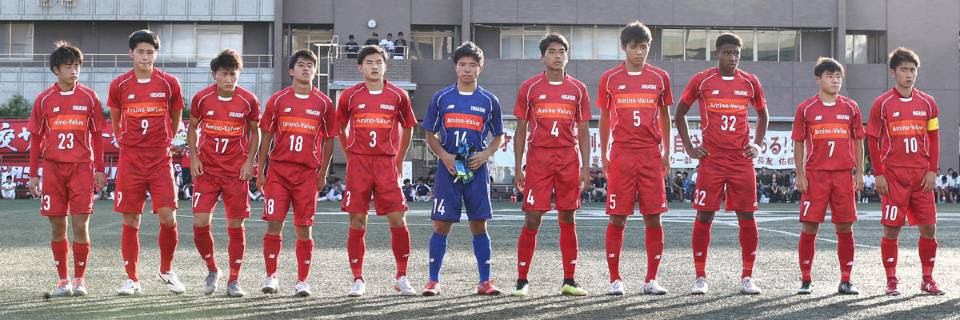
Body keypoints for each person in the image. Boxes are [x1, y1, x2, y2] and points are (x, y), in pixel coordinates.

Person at [675, 32, 768, 295]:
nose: (732, 57)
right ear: (717, 53)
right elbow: (679, 114)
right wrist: (690, 147)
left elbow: (763, 114)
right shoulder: (702, 80)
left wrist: (757, 144)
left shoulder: (750, 81)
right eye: (727, 52)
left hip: (740, 160)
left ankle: (747, 277)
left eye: (736, 53)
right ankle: (700, 277)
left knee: (747, 215)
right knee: (705, 214)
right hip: (712, 159)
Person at [420, 41, 505, 296]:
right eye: (462, 64)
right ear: (455, 67)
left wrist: (485, 154)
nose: (467, 69)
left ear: (480, 67)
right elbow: (429, 134)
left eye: (472, 65)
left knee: (479, 224)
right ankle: (433, 281)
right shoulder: (441, 98)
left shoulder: (489, 100)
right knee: (441, 225)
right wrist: (444, 156)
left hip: (476, 169)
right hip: (449, 169)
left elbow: (499, 136)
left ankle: (485, 282)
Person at [511, 33, 591, 297]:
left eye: (562, 51)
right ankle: (522, 281)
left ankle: (569, 280)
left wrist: (585, 167)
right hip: (539, 159)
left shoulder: (578, 89)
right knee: (532, 217)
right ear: (542, 57)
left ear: (567, 56)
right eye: (552, 51)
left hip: (568, 159)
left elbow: (583, 132)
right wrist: (518, 167)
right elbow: (520, 131)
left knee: (568, 217)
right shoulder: (530, 87)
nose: (558, 56)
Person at [596, 21, 673, 296]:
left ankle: (651, 279)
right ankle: (614, 279)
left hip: (650, 154)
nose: (639, 52)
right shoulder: (610, 78)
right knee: (617, 217)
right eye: (633, 47)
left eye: (644, 47)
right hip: (622, 154)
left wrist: (667, 152)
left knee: (654, 217)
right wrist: (604, 153)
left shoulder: (660, 77)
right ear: (623, 48)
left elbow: (665, 116)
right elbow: (605, 118)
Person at [108, 30, 186, 296]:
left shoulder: (169, 83)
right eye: (140, 52)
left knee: (168, 216)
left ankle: (166, 270)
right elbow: (116, 118)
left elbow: (176, 114)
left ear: (156, 54)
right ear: (130, 53)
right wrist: (123, 139)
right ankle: (132, 278)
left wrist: (168, 138)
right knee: (131, 218)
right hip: (131, 159)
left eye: (150, 52)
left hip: (159, 158)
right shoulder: (119, 84)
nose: (145, 57)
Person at [27, 42, 106, 297]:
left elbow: (97, 135)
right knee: (57, 226)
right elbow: (36, 138)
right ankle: (63, 280)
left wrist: (100, 169)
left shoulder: (90, 97)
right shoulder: (44, 100)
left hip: (82, 168)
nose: (74, 71)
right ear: (56, 70)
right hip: (53, 169)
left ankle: (80, 279)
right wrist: (32, 174)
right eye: (69, 66)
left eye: (77, 66)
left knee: (81, 225)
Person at [338, 45, 418, 296]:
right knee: (357, 220)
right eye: (369, 62)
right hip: (359, 165)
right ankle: (357, 279)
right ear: (360, 67)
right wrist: (349, 155)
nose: (374, 66)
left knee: (398, 218)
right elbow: (339, 127)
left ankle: (402, 277)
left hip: (386, 164)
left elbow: (409, 126)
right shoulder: (349, 95)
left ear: (386, 66)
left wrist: (399, 159)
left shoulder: (398, 95)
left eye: (379, 62)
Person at [256, 49, 337, 297]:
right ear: (291, 71)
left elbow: (330, 140)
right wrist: (260, 170)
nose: (306, 68)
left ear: (315, 71)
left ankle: (302, 281)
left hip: (306, 175)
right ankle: (271, 276)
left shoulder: (324, 103)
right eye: (301, 65)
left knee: (304, 228)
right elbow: (266, 136)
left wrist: (323, 172)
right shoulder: (278, 100)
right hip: (278, 172)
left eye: (310, 65)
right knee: (274, 224)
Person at [866, 47, 944, 295]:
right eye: (904, 70)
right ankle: (891, 280)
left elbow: (934, 137)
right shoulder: (882, 104)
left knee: (929, 227)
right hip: (893, 177)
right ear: (893, 72)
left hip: (921, 176)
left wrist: (932, 170)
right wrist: (878, 173)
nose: (909, 75)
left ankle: (927, 279)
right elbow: (872, 139)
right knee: (892, 229)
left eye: (913, 70)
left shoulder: (928, 103)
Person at [187, 49, 261, 297]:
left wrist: (250, 162)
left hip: (235, 172)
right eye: (224, 74)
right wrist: (194, 156)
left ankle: (234, 279)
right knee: (200, 222)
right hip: (207, 171)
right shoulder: (202, 98)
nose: (229, 79)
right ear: (214, 75)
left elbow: (255, 132)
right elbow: (193, 128)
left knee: (235, 224)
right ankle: (212, 269)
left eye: (233, 74)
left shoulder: (248, 100)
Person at [791, 57, 864, 295]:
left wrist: (860, 172)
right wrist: (800, 174)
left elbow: (859, 142)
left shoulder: (851, 107)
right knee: (810, 226)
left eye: (838, 76)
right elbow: (798, 142)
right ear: (818, 79)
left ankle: (846, 280)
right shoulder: (806, 108)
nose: (835, 80)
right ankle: (805, 279)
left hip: (843, 176)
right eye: (830, 76)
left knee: (845, 227)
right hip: (815, 176)